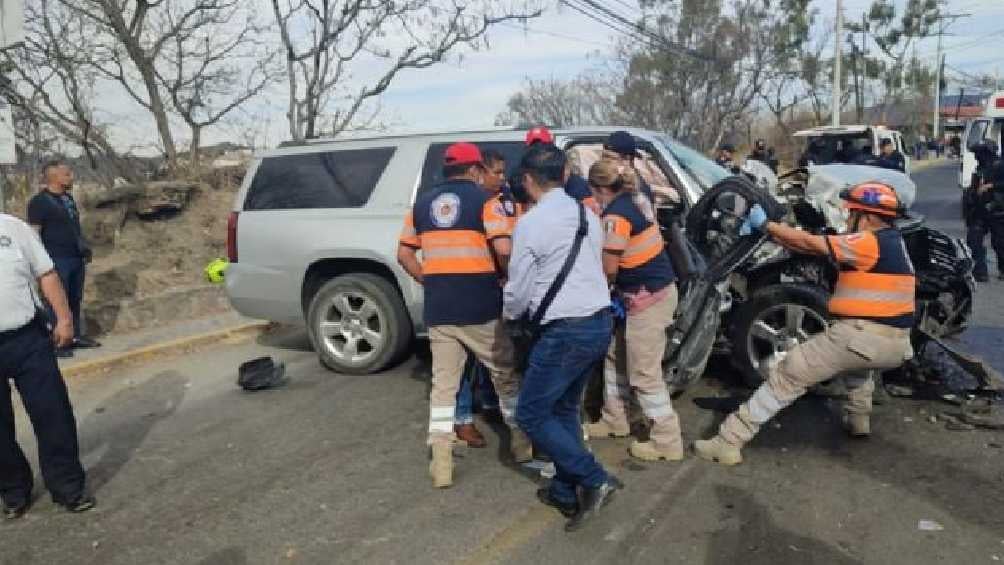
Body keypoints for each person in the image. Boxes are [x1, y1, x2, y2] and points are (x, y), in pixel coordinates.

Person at [695, 182, 914, 466]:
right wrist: (782, 235)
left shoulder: (867, 242)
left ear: (868, 216)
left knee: (789, 373)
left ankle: (728, 441)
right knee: (859, 367)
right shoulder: (893, 242)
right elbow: (812, 246)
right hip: (895, 344)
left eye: (851, 214)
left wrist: (767, 227)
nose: (847, 219)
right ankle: (858, 421)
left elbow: (811, 245)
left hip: (862, 336)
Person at [397, 142, 530, 488]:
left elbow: (404, 255)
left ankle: (441, 462)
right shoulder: (487, 203)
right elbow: (503, 248)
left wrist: (431, 281)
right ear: (475, 170)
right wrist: (507, 277)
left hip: (441, 309)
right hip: (481, 305)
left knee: (444, 386)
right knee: (504, 374)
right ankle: (520, 442)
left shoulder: (421, 206)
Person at [505, 143, 620, 532]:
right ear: (565, 175)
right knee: (564, 409)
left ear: (526, 181)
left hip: (565, 330)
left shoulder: (531, 224)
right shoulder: (587, 215)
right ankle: (565, 491)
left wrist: (509, 316)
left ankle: (593, 478)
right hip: (598, 322)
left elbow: (519, 292)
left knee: (532, 414)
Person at [583, 158, 683, 462]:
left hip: (647, 300)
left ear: (599, 189)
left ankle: (667, 440)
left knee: (644, 373)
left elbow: (609, 269)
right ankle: (616, 418)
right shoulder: (634, 200)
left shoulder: (616, 217)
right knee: (616, 355)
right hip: (647, 294)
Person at [1, 213, 96, 519]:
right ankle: (13, 489)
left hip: (27, 337)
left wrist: (65, 318)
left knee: (53, 413)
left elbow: (47, 273)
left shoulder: (12, 227)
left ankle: (68, 487)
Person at [453, 149, 510, 448]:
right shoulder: (475, 205)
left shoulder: (500, 201)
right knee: (464, 358)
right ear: (478, 172)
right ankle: (462, 418)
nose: (502, 178)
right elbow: (501, 250)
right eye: (496, 172)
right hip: (467, 293)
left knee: (491, 351)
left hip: (488, 289)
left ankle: (488, 401)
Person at [27, 161, 101, 358]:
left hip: (75, 257)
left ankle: (74, 336)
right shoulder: (39, 202)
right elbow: (34, 234)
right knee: (58, 301)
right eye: (67, 174)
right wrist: (40, 263)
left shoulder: (68, 199)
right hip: (55, 259)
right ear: (54, 178)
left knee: (75, 298)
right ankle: (58, 342)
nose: (72, 177)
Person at [965, 141, 1004, 282]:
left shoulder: (1000, 166)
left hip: (997, 209)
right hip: (980, 210)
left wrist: (991, 186)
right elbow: (974, 189)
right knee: (974, 240)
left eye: (979, 153)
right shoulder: (979, 168)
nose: (976, 156)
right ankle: (981, 271)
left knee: (1000, 242)